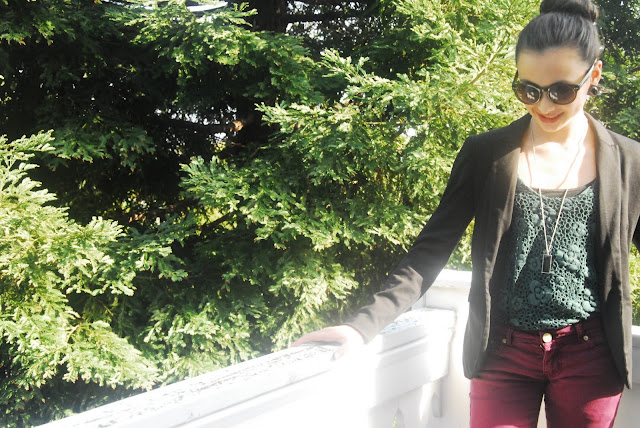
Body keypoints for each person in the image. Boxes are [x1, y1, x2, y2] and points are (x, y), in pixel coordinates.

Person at [293, 0, 640, 426]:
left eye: (561, 91)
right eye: (528, 90)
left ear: (594, 76)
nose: (544, 105)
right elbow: (431, 250)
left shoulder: (628, 162)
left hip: (590, 356)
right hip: (503, 351)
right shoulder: (486, 154)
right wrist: (362, 325)